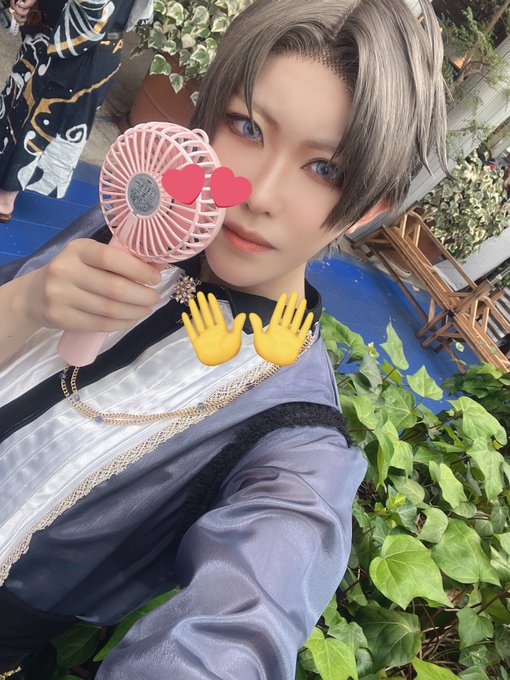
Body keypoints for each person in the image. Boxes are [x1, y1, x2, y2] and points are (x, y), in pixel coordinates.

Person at [0, 0, 447, 677]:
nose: (258, 193)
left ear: (369, 208)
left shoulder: (296, 433)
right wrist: (27, 302)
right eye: (247, 127)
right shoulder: (131, 220)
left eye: (325, 168)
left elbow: (242, 620)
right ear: (206, 119)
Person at [0, 0, 152, 223]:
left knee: (42, 120)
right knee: (18, 102)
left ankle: (6, 195)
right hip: (54, 33)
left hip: (83, 46)